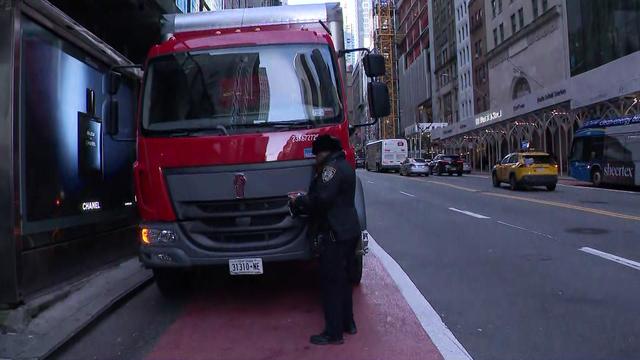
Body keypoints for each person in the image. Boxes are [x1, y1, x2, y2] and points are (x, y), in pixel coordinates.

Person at [289, 134, 361, 345]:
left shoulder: (330, 170)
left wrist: (299, 200)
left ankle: (333, 333)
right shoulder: (345, 166)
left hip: (334, 233)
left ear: (324, 152)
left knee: (331, 283)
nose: (314, 158)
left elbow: (322, 199)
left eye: (316, 153)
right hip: (349, 230)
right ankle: (349, 324)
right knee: (345, 281)